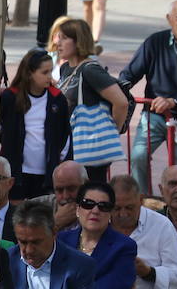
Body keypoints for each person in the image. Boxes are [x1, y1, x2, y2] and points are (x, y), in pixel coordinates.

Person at [57, 181, 136, 289]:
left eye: (103, 206)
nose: (95, 210)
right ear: (78, 209)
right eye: (88, 204)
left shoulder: (123, 247)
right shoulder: (61, 240)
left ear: (110, 213)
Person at [122, 0, 177, 192]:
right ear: (169, 19)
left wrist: (174, 100)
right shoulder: (155, 42)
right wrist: (116, 90)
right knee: (138, 155)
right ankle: (141, 202)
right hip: (154, 115)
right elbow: (130, 74)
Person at [55, 18, 129, 183]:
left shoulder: (91, 70)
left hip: (89, 147)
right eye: (58, 37)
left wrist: (111, 133)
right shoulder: (65, 69)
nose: (58, 43)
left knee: (91, 192)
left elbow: (121, 103)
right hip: (70, 144)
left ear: (79, 41)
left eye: (64, 38)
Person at [0, 47, 70, 200]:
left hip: (46, 172)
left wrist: (59, 162)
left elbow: (65, 134)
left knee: (41, 214)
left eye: (51, 71)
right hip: (17, 171)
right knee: (15, 214)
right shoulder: (10, 97)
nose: (49, 77)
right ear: (30, 73)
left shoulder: (57, 98)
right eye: (44, 73)